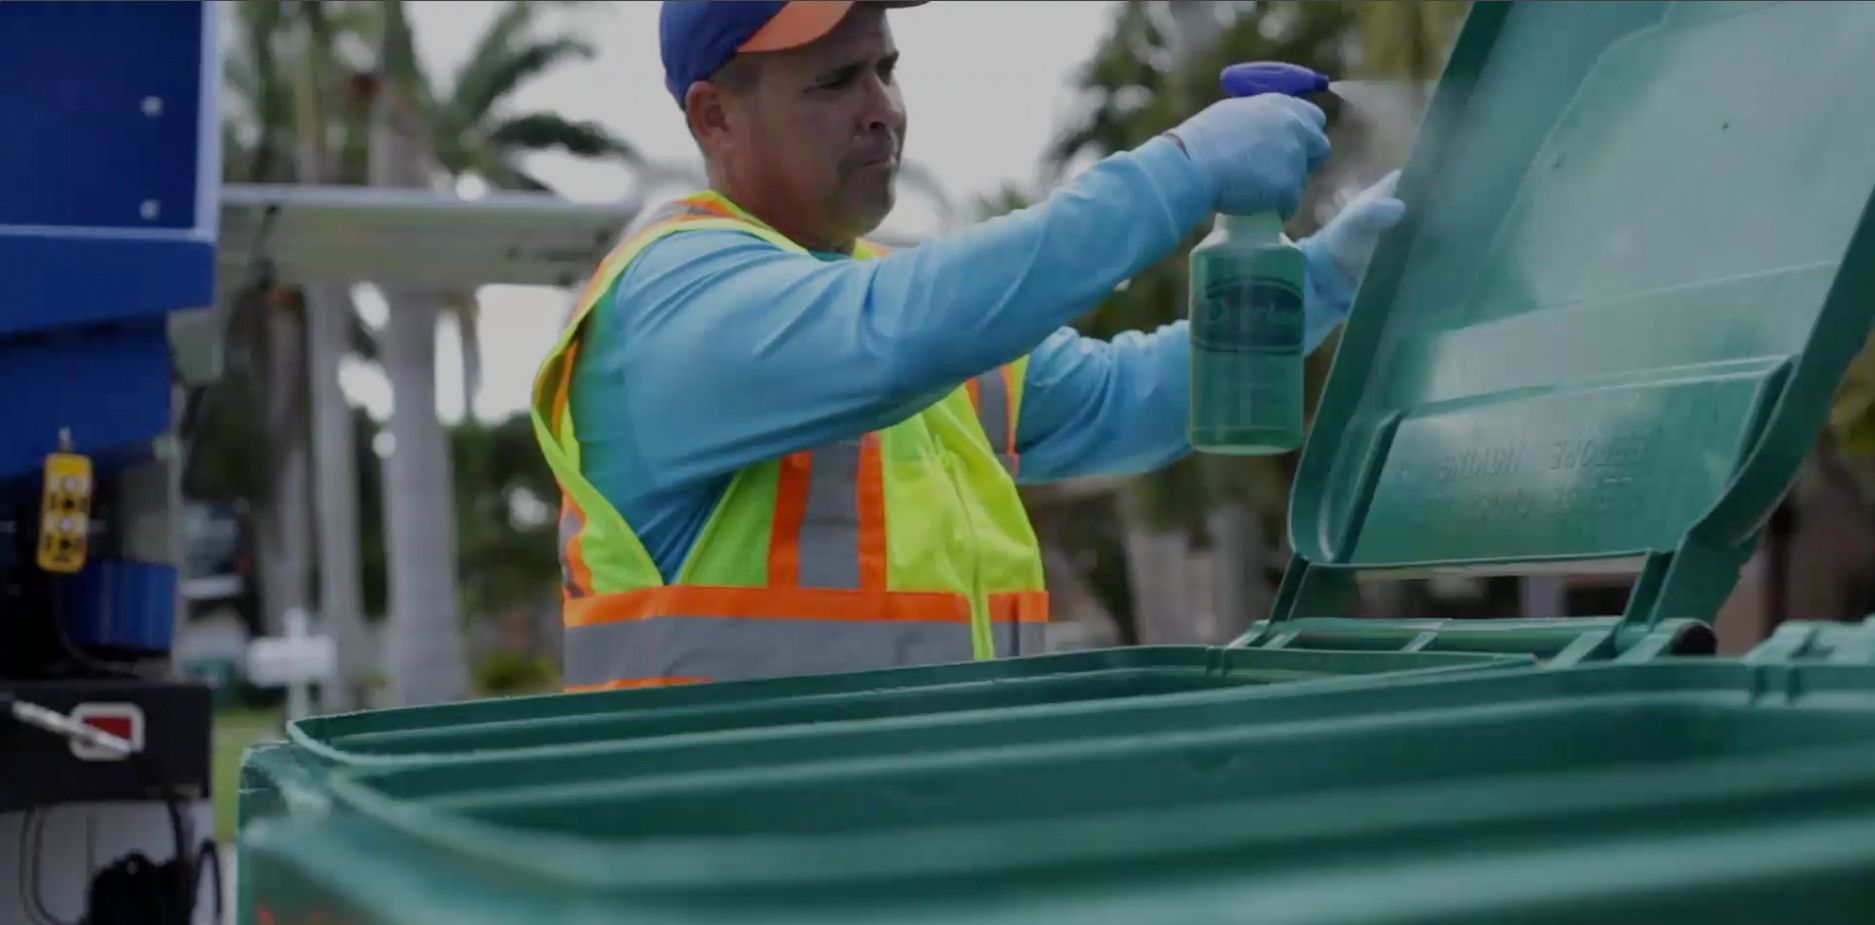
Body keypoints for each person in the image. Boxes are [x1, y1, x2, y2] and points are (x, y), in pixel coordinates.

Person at [531, 0, 1405, 692]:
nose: (880, 110)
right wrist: (1180, 170)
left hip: (906, 847)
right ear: (713, 117)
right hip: (727, 876)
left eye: (886, 69)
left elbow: (1122, 399)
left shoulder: (868, 302)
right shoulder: (672, 297)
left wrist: (1327, 277)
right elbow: (898, 329)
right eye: (833, 83)